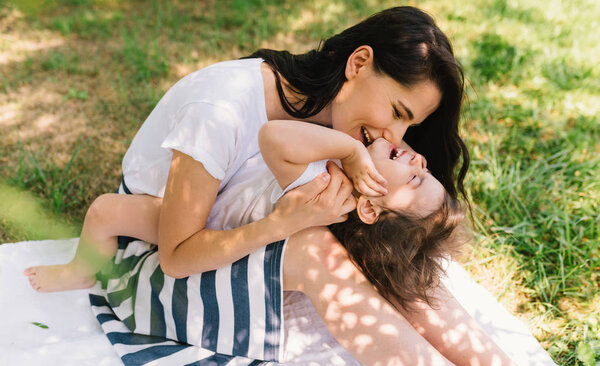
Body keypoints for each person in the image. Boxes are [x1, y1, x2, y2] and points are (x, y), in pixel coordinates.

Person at [25, 6, 513, 365]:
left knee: (395, 243)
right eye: (398, 113)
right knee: (316, 248)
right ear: (359, 63)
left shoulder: (337, 127)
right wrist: (282, 225)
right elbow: (174, 254)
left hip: (227, 233)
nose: (397, 137)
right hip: (153, 258)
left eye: (411, 127)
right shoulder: (221, 111)